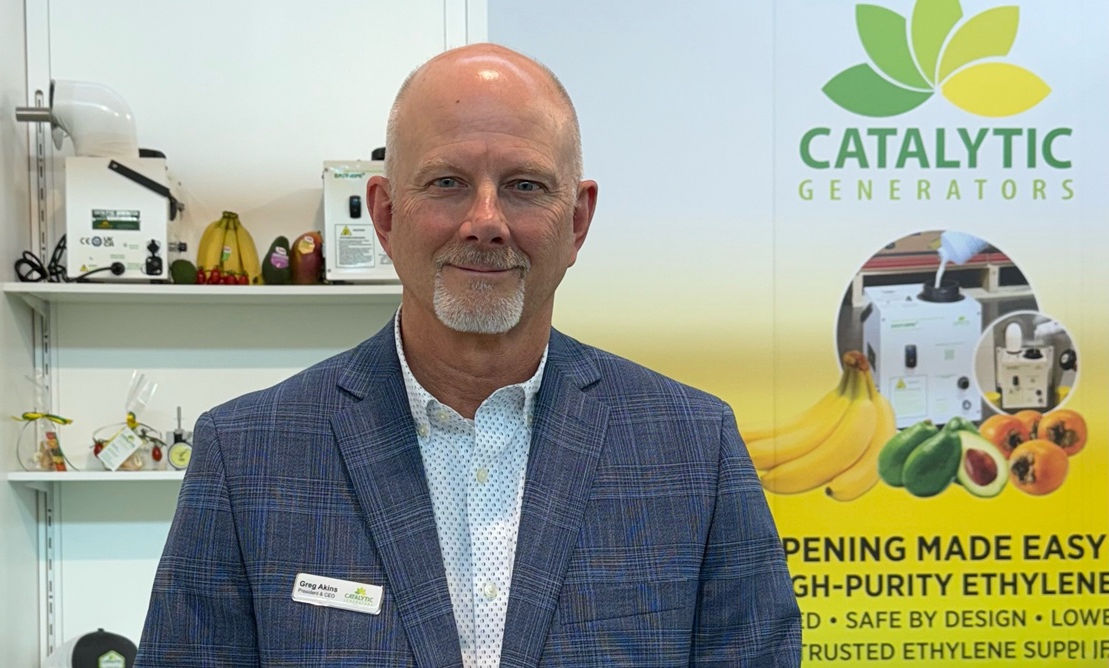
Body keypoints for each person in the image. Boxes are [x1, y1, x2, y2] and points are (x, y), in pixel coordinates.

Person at [136, 43, 801, 667]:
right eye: (448, 182)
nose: (485, 221)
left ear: (577, 221)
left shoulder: (694, 448)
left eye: (525, 186)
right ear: (385, 215)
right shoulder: (248, 455)